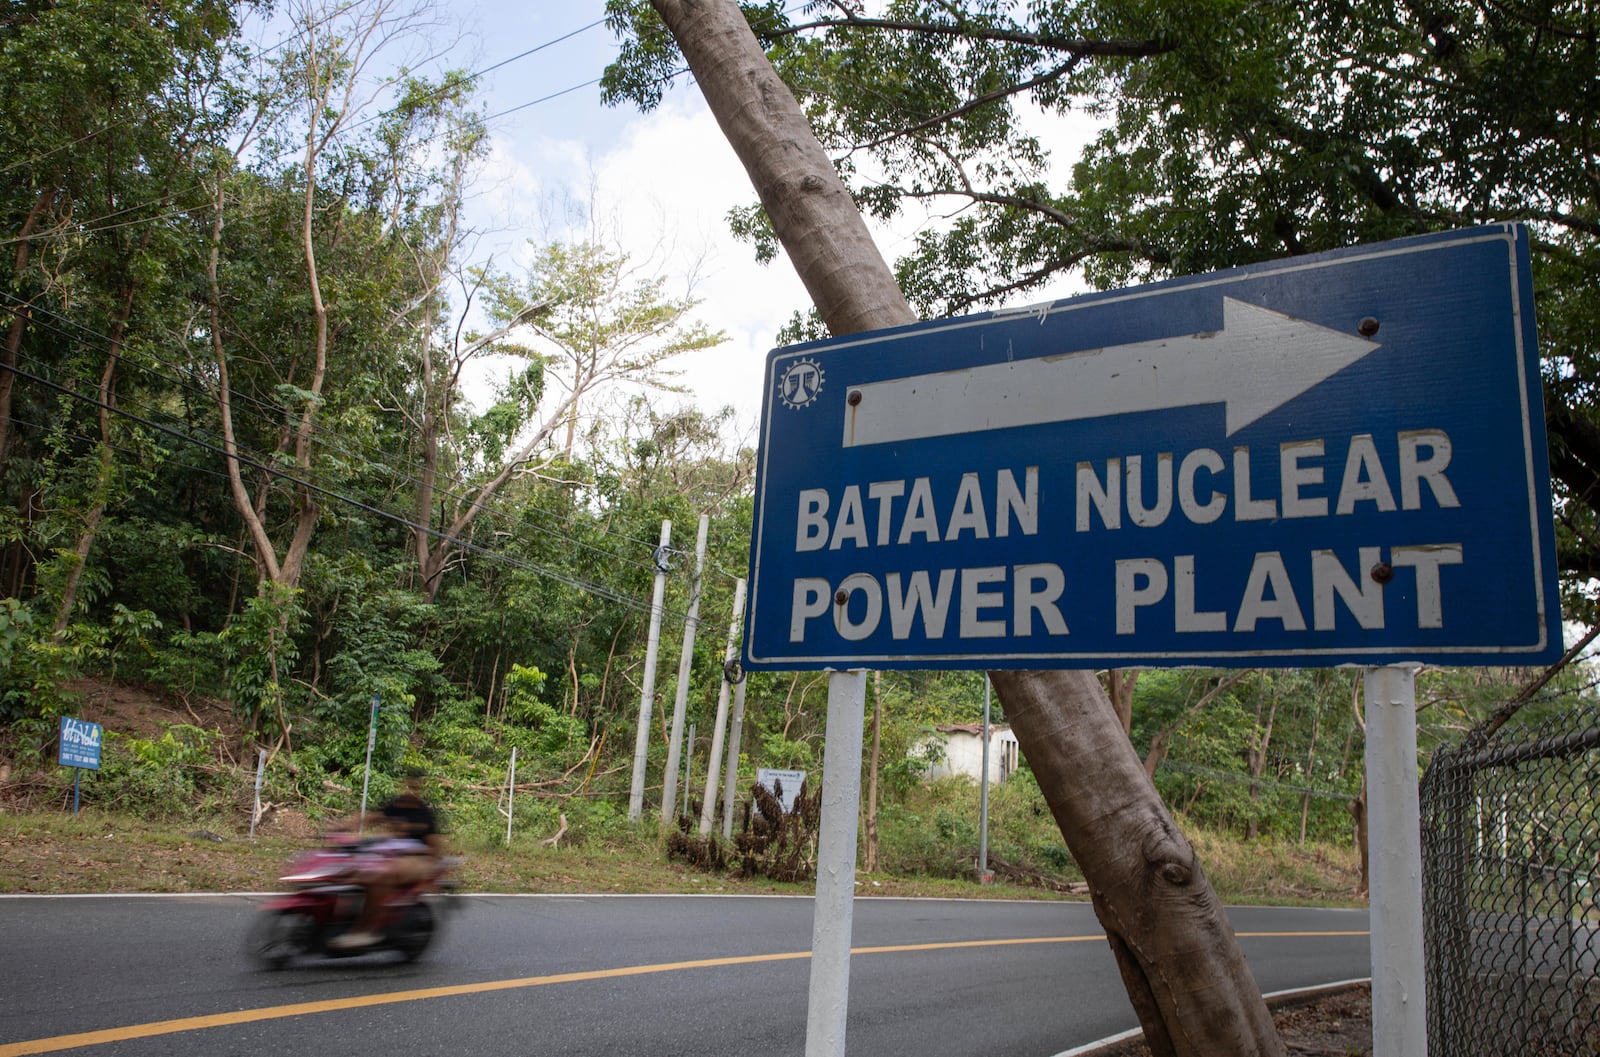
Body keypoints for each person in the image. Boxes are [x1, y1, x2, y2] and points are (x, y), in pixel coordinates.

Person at [330, 767, 442, 949]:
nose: (411, 790)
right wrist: (342, 826)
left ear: (421, 788)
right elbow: (370, 818)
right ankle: (342, 921)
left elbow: (435, 846)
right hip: (389, 853)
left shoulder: (424, 813)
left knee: (381, 874)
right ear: (405, 784)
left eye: (416, 786)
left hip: (417, 859)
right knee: (347, 871)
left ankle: (367, 930)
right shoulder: (396, 805)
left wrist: (431, 866)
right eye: (409, 785)